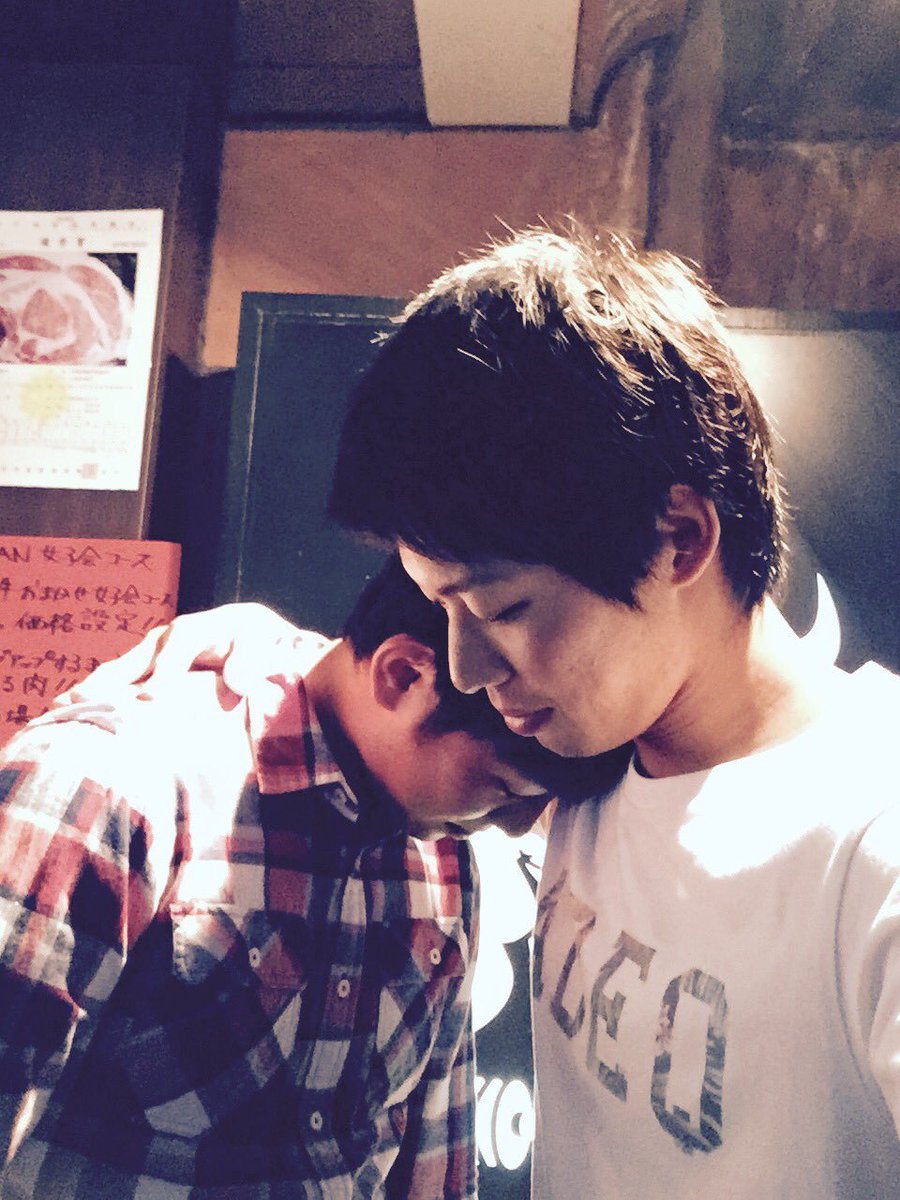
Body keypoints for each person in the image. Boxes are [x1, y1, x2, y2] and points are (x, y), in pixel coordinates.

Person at [322, 227, 900, 1196]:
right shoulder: (586, 768)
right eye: (441, 609)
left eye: (503, 608)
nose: (466, 668)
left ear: (679, 538)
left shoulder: (872, 836)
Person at [0, 555, 619, 1199]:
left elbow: (435, 1158)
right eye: (504, 788)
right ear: (404, 676)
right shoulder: (113, 783)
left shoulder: (444, 854)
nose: (516, 827)